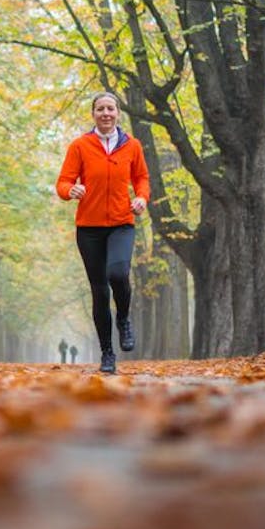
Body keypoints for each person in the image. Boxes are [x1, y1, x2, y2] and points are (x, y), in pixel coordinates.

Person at [55, 91, 149, 374]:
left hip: (122, 223)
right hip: (89, 229)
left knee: (118, 274)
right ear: (93, 114)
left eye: (110, 109)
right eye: (100, 109)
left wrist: (142, 197)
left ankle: (123, 319)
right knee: (99, 291)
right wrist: (70, 191)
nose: (106, 113)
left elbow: (141, 177)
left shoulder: (132, 146)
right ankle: (107, 353)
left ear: (118, 113)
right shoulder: (80, 146)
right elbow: (63, 181)